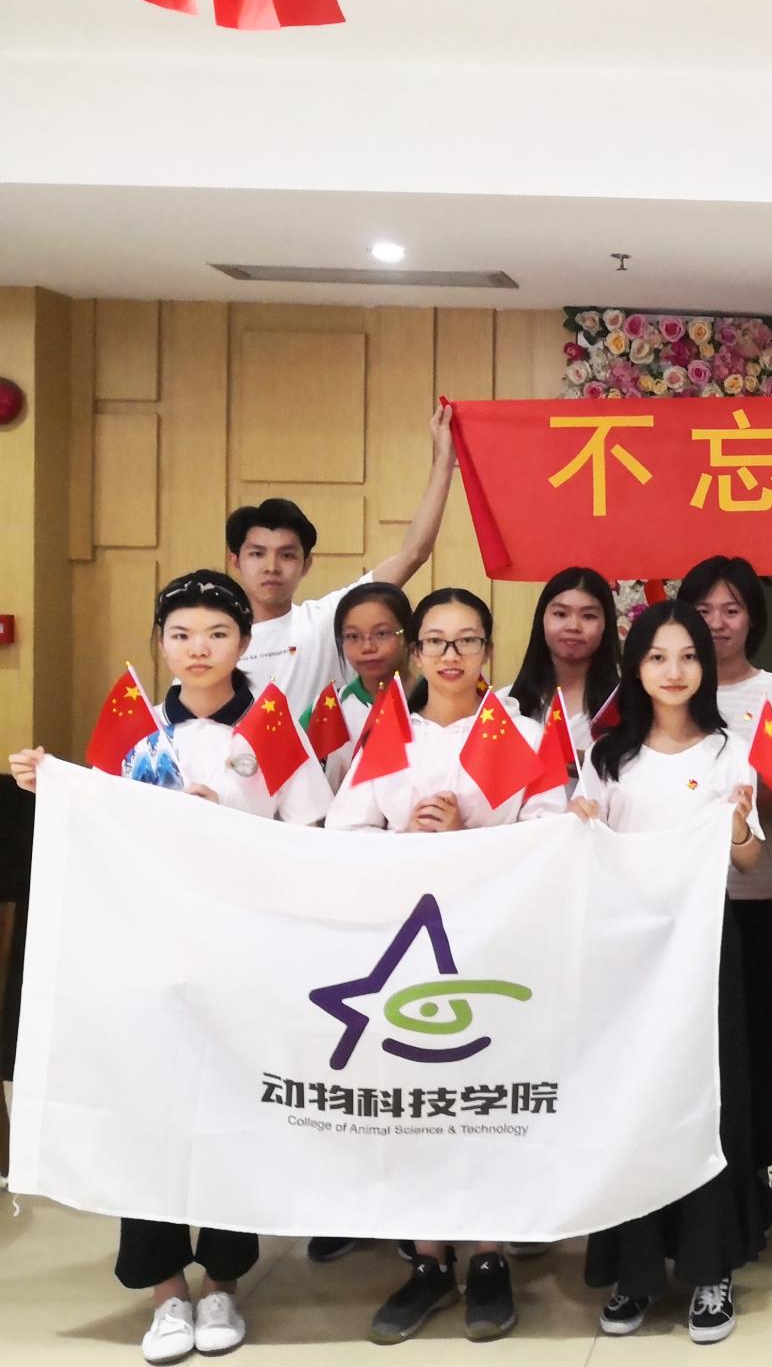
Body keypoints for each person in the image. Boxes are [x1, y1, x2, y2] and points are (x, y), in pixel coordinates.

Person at [10, 570, 331, 1365]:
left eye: (217, 634)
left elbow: (313, 837)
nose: (198, 649)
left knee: (231, 1110)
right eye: (181, 634)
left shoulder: (271, 726)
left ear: (244, 642)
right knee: (147, 1116)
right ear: (161, 642)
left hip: (241, 953)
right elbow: (94, 822)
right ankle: (164, 1290)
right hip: (146, 953)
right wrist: (48, 782)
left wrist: (224, 825)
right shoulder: (136, 729)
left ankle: (222, 1279)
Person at [326, 588, 570, 1345]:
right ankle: (429, 1259)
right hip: (403, 949)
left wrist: (469, 833)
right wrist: (406, 840)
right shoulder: (389, 733)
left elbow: (551, 837)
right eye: (435, 640)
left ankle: (490, 1256)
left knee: (485, 1098)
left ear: (489, 650)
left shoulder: (519, 732)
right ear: (415, 651)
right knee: (416, 1100)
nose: (451, 655)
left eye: (467, 640)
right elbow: (344, 832)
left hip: (492, 943)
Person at [571, 601, 768, 1343]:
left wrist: (740, 826)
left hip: (704, 944)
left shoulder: (727, 750)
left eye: (688, 656)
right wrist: (581, 829)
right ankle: (634, 1270)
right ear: (636, 667)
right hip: (627, 952)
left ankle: (711, 1269)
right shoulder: (608, 757)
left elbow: (747, 858)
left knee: (707, 1101)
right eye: (658, 657)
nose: (674, 670)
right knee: (632, 1101)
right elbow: (585, 851)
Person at [678, 555, 772, 1222]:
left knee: (756, 1042)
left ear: (752, 617)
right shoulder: (667, 689)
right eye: (703, 610)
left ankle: (757, 1173)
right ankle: (690, 1182)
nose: (717, 623)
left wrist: (759, 803)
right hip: (678, 905)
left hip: (757, 899)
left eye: (731, 610)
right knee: (690, 1046)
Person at [226, 403, 457, 716]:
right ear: (235, 561)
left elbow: (413, 554)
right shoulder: (214, 641)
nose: (271, 567)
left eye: (287, 555)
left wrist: (445, 458)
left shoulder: (327, 620)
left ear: (306, 564)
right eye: (257, 553)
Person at [300, 583, 414, 794]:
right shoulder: (328, 708)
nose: (367, 647)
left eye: (382, 633)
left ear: (407, 635)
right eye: (353, 636)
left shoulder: (434, 701)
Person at [507, 566, 621, 756]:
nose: (573, 626)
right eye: (560, 614)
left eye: (589, 616)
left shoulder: (627, 705)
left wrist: (587, 763)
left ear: (606, 624)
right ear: (541, 619)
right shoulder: (507, 704)